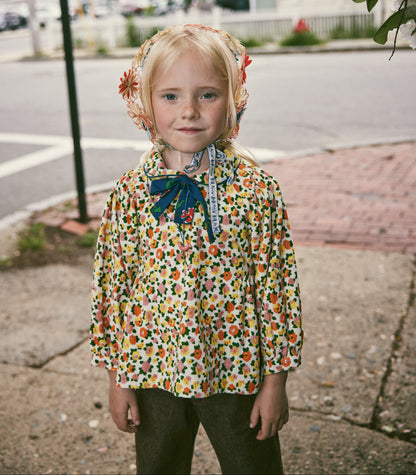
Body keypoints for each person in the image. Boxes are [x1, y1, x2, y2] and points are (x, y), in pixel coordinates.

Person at [90, 24, 303, 475]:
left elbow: (277, 291)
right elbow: (113, 288)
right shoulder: (130, 193)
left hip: (237, 367)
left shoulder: (255, 190)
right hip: (153, 368)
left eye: (207, 94)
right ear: (145, 103)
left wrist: (274, 383)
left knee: (253, 467)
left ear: (233, 99)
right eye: (170, 96)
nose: (188, 110)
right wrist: (117, 378)